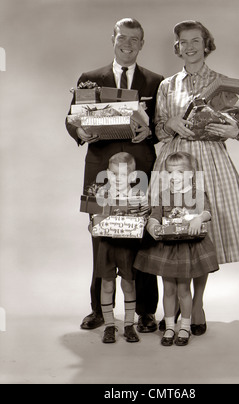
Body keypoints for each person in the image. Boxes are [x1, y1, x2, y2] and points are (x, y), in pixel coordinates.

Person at [152, 20, 239, 335]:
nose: (189, 47)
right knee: (170, 226)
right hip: (173, 161)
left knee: (200, 232)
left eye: (195, 40)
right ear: (177, 47)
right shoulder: (166, 86)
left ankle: (196, 303)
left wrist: (233, 130)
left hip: (209, 159)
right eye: (183, 42)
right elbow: (158, 129)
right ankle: (170, 307)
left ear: (206, 43)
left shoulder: (223, 82)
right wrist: (169, 122)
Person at [65, 18, 164, 332]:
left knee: (145, 237)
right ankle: (98, 310)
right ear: (113, 38)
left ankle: (147, 312)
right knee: (101, 236)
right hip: (100, 169)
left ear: (141, 44)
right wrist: (80, 129)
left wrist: (150, 131)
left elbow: (161, 126)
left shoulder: (156, 81)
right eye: (123, 37)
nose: (128, 43)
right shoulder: (89, 78)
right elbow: (71, 119)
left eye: (135, 39)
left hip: (141, 169)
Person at [134, 152, 219, 346]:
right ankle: (170, 325)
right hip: (168, 249)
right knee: (168, 289)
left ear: (190, 174)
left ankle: (185, 326)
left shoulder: (197, 193)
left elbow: (207, 211)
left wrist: (199, 218)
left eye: (180, 172)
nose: (174, 177)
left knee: (183, 289)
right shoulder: (163, 195)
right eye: (170, 173)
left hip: (187, 249)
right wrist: (152, 226)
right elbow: (154, 215)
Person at [91, 152, 148, 343]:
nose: (117, 179)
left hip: (127, 246)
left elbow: (145, 219)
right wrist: (93, 227)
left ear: (132, 176)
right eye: (113, 174)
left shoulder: (139, 196)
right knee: (107, 284)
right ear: (107, 173)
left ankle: (129, 324)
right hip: (107, 245)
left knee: (128, 283)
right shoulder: (101, 194)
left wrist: (140, 217)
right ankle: (109, 325)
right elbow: (93, 220)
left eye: (122, 175)